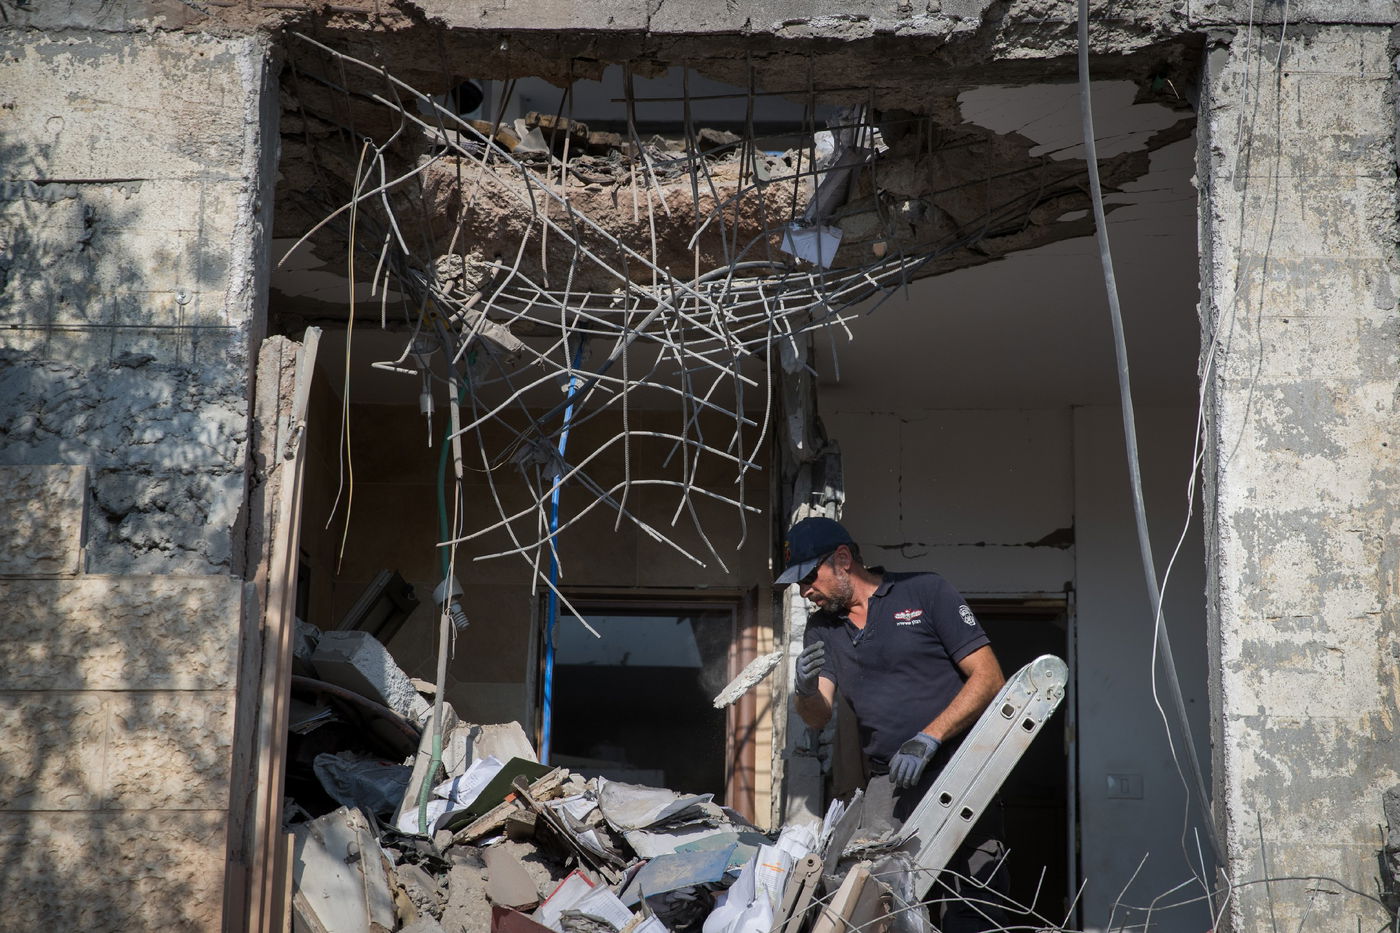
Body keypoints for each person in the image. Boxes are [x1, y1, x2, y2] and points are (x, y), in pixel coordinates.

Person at [777, 516, 1011, 933]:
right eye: (798, 583)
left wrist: (928, 738)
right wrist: (805, 689)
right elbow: (818, 714)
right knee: (884, 903)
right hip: (890, 784)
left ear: (843, 559)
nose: (804, 590)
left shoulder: (925, 591)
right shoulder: (823, 627)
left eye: (809, 577)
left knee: (975, 898)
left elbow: (990, 677)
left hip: (957, 770)